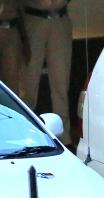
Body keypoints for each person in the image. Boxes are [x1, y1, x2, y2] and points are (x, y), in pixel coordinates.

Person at [20, 0, 72, 146]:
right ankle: (26, 135)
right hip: (33, 18)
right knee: (28, 83)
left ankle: (64, 138)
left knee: (61, 83)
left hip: (60, 18)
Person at [0, 0, 27, 92]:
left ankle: (10, 105)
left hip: (12, 29)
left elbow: (20, 10)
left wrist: (24, 39)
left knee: (12, 79)